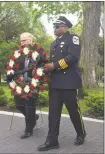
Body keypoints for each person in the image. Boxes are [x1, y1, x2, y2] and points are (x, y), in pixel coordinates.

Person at [37, 16, 87, 151]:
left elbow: (73, 57)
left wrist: (54, 66)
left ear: (65, 27)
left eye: (57, 26)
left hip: (69, 82)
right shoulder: (53, 43)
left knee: (73, 111)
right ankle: (52, 140)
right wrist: (44, 66)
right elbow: (52, 61)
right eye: (53, 26)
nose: (54, 29)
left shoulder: (73, 38)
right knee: (53, 113)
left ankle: (81, 134)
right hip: (55, 83)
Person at [6, 32, 47, 139]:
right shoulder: (18, 52)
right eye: (21, 40)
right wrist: (10, 72)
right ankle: (33, 118)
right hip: (20, 82)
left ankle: (28, 130)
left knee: (30, 106)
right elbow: (12, 65)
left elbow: (44, 64)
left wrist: (38, 74)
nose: (21, 42)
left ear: (30, 39)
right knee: (19, 105)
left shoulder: (39, 50)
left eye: (23, 40)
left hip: (34, 82)